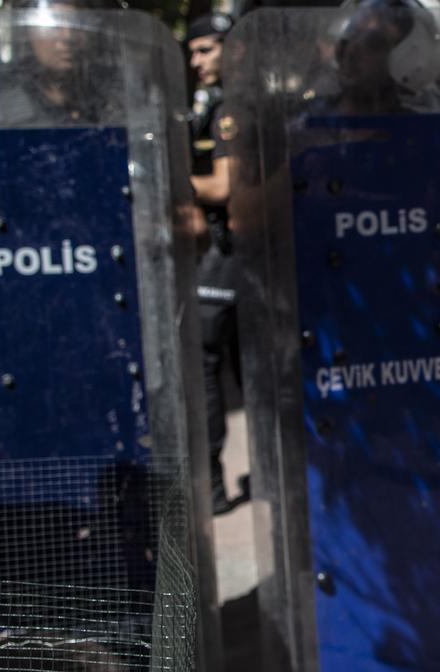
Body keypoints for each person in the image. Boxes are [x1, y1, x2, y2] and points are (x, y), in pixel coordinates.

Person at [187, 12, 241, 515]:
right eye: (193, 51)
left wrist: (171, 181)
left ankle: (215, 486)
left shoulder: (233, 103)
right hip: (231, 251)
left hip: (234, 252)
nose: (196, 60)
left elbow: (226, 187)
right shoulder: (213, 101)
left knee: (205, 361)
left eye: (206, 49)